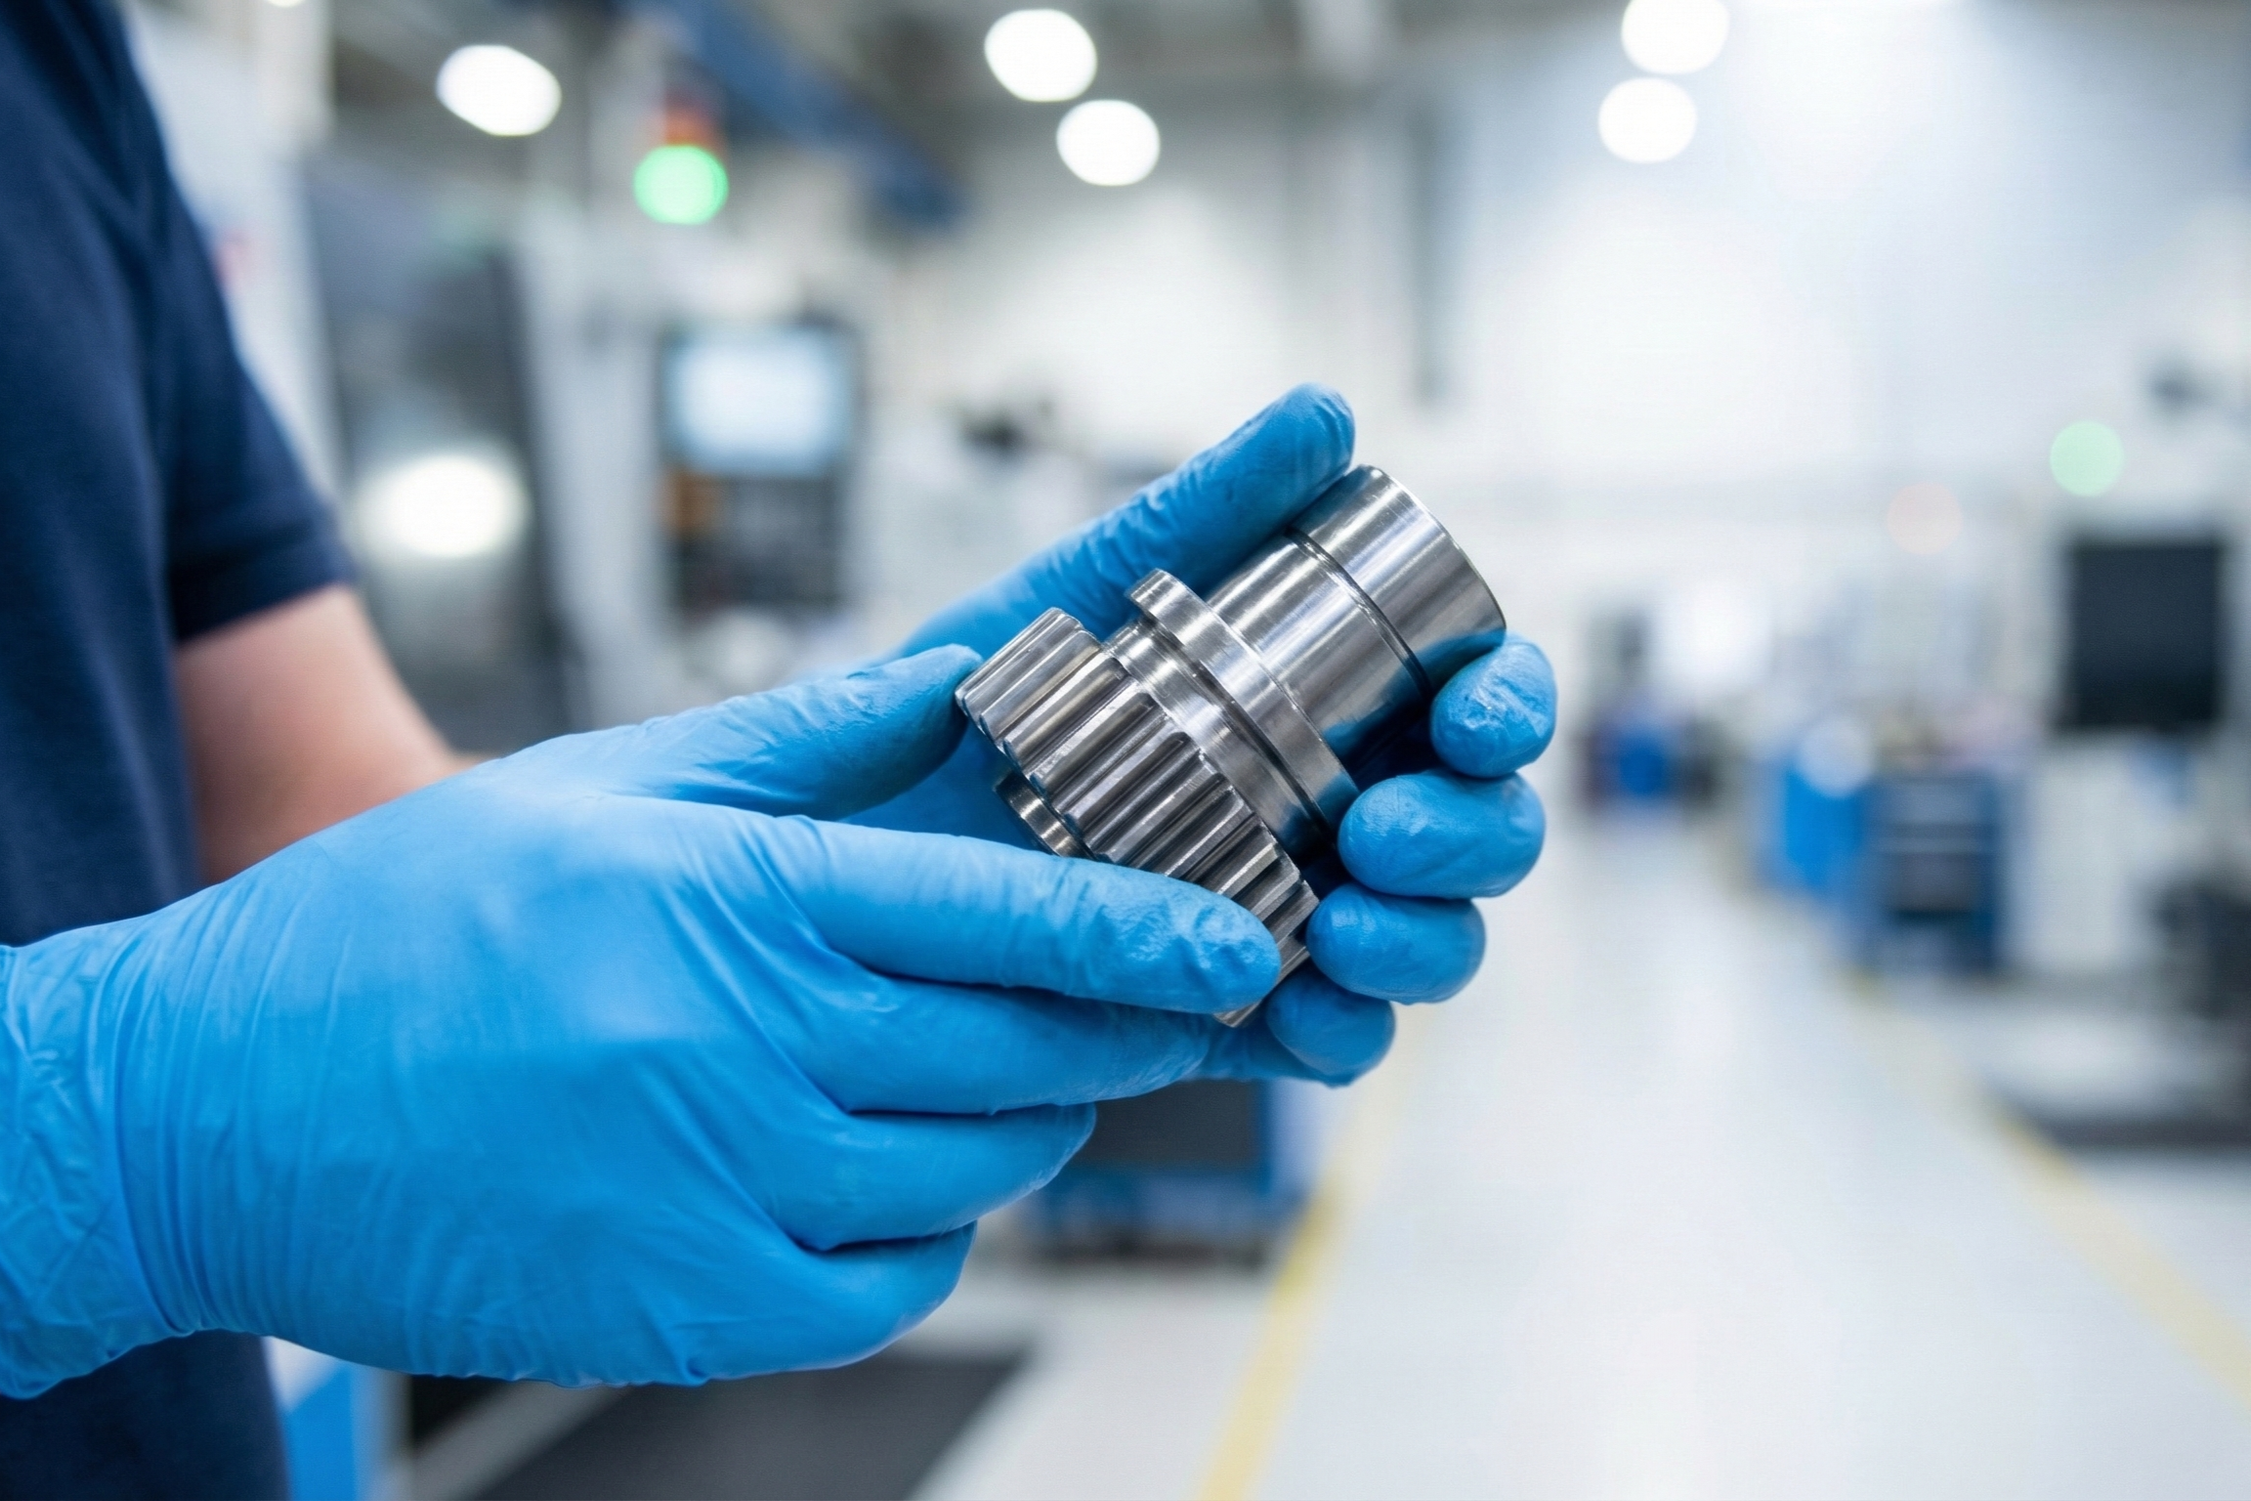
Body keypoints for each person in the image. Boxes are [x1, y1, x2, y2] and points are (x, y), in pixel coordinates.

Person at [0, 0, 1556, 1495]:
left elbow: (305, 789)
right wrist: (106, 1129)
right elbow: (162, 1087)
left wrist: (833, 857)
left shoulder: (59, 60)